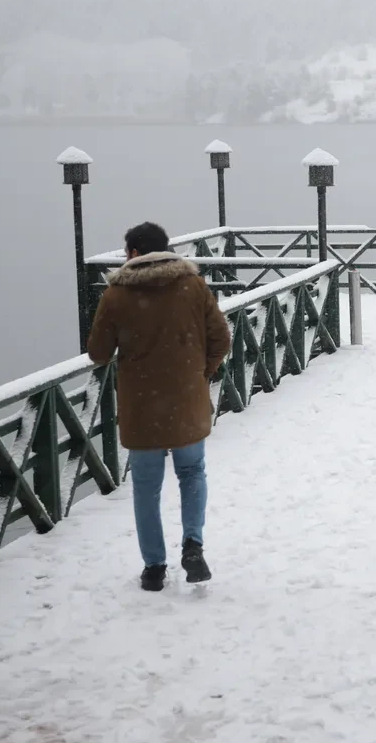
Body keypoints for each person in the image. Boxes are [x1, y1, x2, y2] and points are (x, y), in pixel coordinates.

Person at [87, 221, 231, 592]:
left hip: (142, 406)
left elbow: (98, 353)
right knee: (192, 472)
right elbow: (221, 338)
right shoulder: (193, 285)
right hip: (186, 398)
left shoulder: (116, 294)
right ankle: (193, 544)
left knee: (146, 488)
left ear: (134, 252)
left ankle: (154, 567)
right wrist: (201, 374)